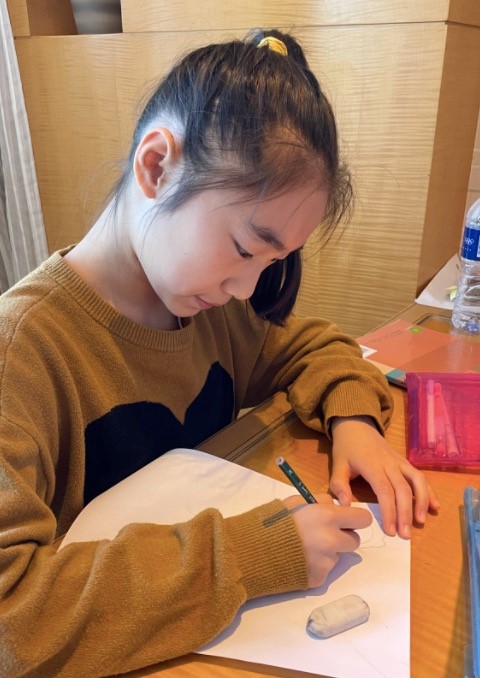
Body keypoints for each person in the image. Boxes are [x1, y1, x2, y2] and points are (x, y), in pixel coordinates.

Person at [0, 29, 439, 676]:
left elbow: (316, 347)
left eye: (272, 262)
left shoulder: (212, 309)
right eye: (243, 248)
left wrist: (354, 420)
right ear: (157, 167)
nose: (247, 289)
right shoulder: (22, 353)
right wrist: (252, 556)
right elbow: (12, 621)